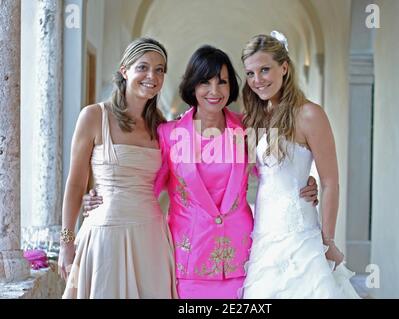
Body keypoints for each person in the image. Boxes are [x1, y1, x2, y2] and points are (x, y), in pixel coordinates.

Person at [83, 45, 319, 299]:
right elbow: (145, 187)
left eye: (223, 82)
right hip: (188, 261)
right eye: (205, 82)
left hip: (243, 258)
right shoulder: (168, 134)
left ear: (232, 88)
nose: (214, 91)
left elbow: (275, 172)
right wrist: (105, 195)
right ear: (193, 87)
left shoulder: (248, 128)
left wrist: (306, 181)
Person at [239, 32, 361, 298]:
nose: (257, 80)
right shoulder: (256, 117)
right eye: (250, 73)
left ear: (284, 67)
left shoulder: (309, 114)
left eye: (264, 69)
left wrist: (327, 241)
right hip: (264, 232)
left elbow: (330, 182)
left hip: (300, 232)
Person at [58, 37, 178, 298]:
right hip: (104, 237)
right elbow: (76, 183)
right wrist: (66, 242)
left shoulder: (163, 128)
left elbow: (175, 183)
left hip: (151, 238)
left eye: (160, 70)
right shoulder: (93, 116)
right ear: (124, 70)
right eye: (143, 67)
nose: (152, 76)